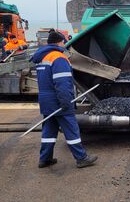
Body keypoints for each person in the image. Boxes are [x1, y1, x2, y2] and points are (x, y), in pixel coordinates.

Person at [30, 31, 97, 168]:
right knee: (72, 130)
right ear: (60, 42)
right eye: (64, 42)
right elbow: (62, 83)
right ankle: (81, 158)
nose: (65, 44)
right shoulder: (59, 58)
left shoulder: (43, 57)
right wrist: (66, 102)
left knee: (49, 130)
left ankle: (45, 159)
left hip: (46, 100)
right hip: (58, 100)